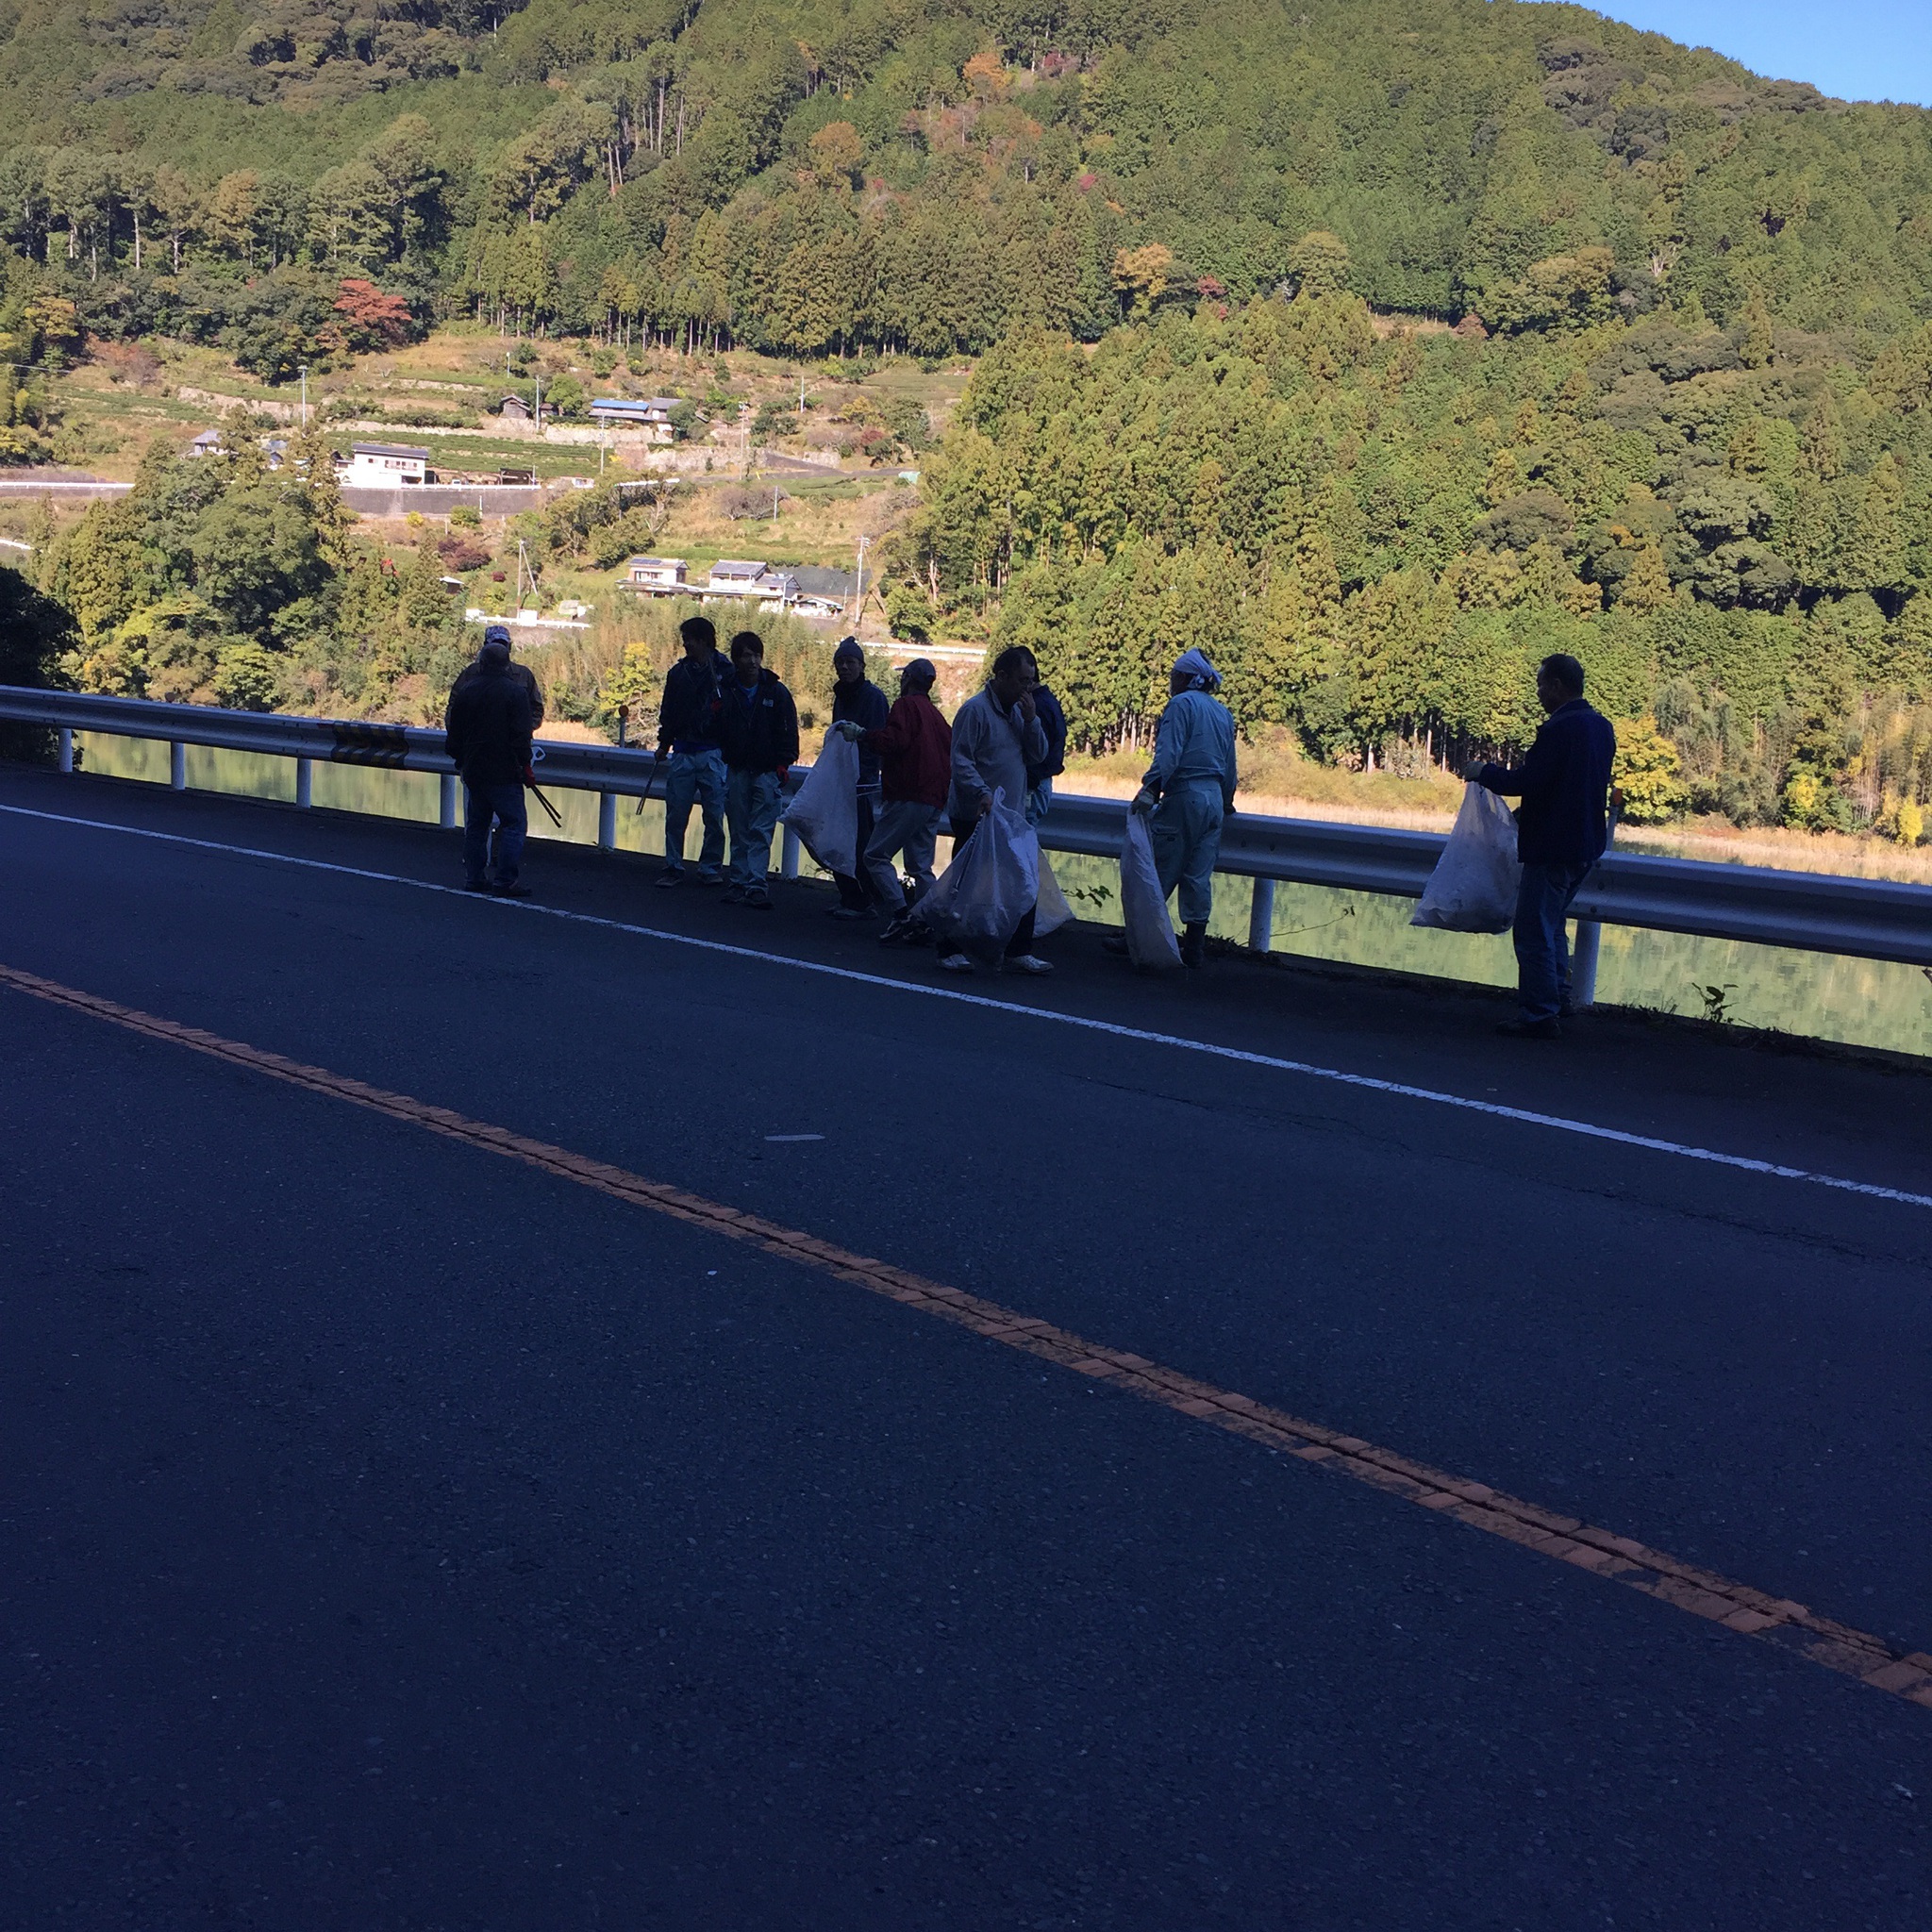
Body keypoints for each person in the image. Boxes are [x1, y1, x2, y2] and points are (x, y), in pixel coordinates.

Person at [1465, 652, 1617, 1039]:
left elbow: (1528, 781)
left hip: (1552, 845)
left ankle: (1539, 1014)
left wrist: (1484, 773)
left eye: (1541, 685)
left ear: (1557, 686)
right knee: (1553, 924)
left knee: (1534, 930)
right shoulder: (1601, 727)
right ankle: (1559, 997)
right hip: (1586, 844)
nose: (1538, 693)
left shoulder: (1558, 730)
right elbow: (1572, 784)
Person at [938, 644, 1052, 975]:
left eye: (1031, 681)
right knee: (966, 883)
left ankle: (1018, 949)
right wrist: (981, 792)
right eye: (1021, 680)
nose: (1027, 688)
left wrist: (1031, 720)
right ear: (1001, 676)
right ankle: (948, 949)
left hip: (1010, 815)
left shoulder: (1019, 712)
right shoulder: (974, 711)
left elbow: (1039, 755)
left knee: (1024, 878)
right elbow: (960, 760)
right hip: (976, 813)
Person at [1124, 648, 1240, 969]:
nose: (1171, 682)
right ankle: (1194, 949)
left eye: (1174, 676)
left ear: (1186, 678)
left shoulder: (1180, 705)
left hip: (1185, 796)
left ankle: (1142, 941)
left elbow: (1169, 753)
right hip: (1213, 801)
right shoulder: (1222, 713)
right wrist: (1226, 800)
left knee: (1160, 869)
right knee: (1198, 875)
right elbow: (1230, 765)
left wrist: (1151, 787)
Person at [835, 658, 951, 943]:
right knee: (920, 866)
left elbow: (893, 741)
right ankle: (925, 921)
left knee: (875, 855)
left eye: (903, 676)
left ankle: (901, 916)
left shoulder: (905, 706)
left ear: (908, 679)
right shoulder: (937, 717)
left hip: (908, 794)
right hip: (934, 799)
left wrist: (862, 734)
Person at [443, 635, 534, 897]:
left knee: (477, 825)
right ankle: (505, 880)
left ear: (481, 663)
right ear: (507, 664)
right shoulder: (515, 693)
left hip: (474, 769)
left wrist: (461, 759)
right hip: (504, 771)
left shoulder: (467, 691)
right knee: (514, 823)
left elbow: (454, 734)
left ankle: (474, 877)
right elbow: (521, 736)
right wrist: (525, 766)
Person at [715, 629, 799, 910]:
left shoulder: (776, 691)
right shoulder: (725, 690)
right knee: (738, 829)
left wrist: (783, 763)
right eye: (746, 656)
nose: (752, 661)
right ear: (736, 660)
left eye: (756, 655)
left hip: (766, 771)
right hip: (737, 768)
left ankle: (756, 884)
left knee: (761, 830)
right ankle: (738, 882)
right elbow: (713, 728)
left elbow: (789, 731)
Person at [654, 613, 726, 889]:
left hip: (714, 752)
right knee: (676, 814)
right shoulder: (678, 673)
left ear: (704, 640)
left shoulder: (725, 671)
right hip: (683, 751)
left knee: (715, 816)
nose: (685, 644)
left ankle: (710, 867)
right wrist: (664, 743)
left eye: (689, 640)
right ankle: (673, 866)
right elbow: (668, 712)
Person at [826, 636, 890, 919]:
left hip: (862, 782)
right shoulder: (841, 696)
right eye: (840, 662)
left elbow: (877, 740)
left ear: (862, 666)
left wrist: (865, 774)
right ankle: (850, 896)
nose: (844, 667)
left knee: (860, 842)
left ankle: (864, 900)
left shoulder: (873, 698)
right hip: (841, 778)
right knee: (840, 841)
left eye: (850, 662)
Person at [451, 623, 545, 731]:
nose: (498, 648)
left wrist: (523, 730)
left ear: (509, 647)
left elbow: (536, 708)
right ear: (485, 646)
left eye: (503, 644)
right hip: (476, 738)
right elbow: (454, 704)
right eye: (494, 644)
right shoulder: (471, 673)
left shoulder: (524, 674)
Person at [1025, 679, 1068, 827]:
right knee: (1027, 831)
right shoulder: (1049, 701)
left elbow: (1036, 749)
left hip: (1033, 784)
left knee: (1023, 829)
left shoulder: (1034, 706)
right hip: (1043, 781)